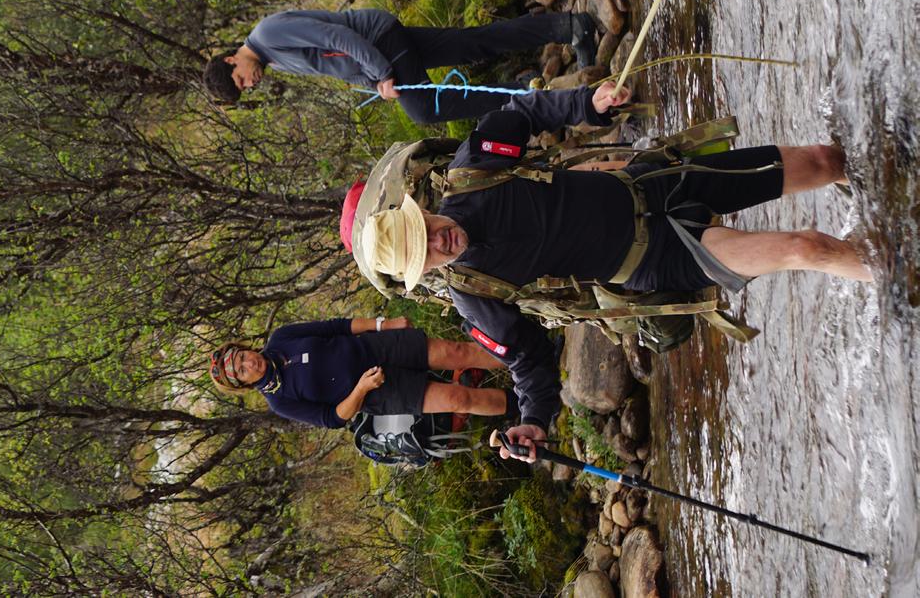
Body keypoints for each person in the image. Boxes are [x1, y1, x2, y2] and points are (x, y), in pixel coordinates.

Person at [359, 84, 873, 460]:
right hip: (655, 256)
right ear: (422, 269)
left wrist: (589, 104)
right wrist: (534, 422)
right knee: (804, 247)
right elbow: (527, 362)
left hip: (657, 182)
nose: (439, 242)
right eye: (426, 253)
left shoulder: (473, 172)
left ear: (421, 213)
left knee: (826, 160)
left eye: (426, 230)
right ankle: (900, 275)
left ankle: (889, 193)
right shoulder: (475, 297)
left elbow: (525, 111)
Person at [202, 8, 598, 124]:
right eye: (244, 89)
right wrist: (376, 82)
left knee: (425, 110)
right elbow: (337, 62)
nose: (249, 84)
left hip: (382, 43)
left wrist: (382, 74)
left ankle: (527, 92)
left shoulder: (269, 34)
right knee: (471, 43)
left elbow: (337, 38)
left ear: (229, 59)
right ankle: (570, 27)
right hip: (382, 48)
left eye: (240, 79)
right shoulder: (272, 57)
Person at [208, 316, 512, 429]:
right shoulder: (280, 400)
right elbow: (333, 418)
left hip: (376, 347)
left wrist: (384, 324)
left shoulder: (280, 338)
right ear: (243, 384)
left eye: (241, 356)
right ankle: (527, 404)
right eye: (240, 371)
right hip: (377, 392)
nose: (248, 364)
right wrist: (362, 389)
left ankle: (524, 359)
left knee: (456, 353)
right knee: (457, 398)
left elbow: (335, 327)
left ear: (244, 348)